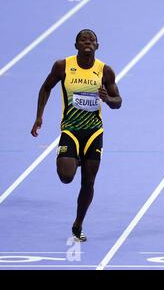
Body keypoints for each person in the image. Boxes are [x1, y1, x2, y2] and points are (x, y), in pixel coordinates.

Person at [31, 29, 122, 242]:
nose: (87, 42)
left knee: (88, 182)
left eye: (91, 39)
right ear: (76, 45)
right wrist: (39, 117)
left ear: (97, 46)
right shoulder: (62, 66)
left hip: (93, 133)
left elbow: (119, 102)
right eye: (83, 39)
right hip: (70, 130)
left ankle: (78, 224)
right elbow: (45, 88)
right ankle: (76, 159)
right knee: (66, 177)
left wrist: (107, 98)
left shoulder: (105, 71)